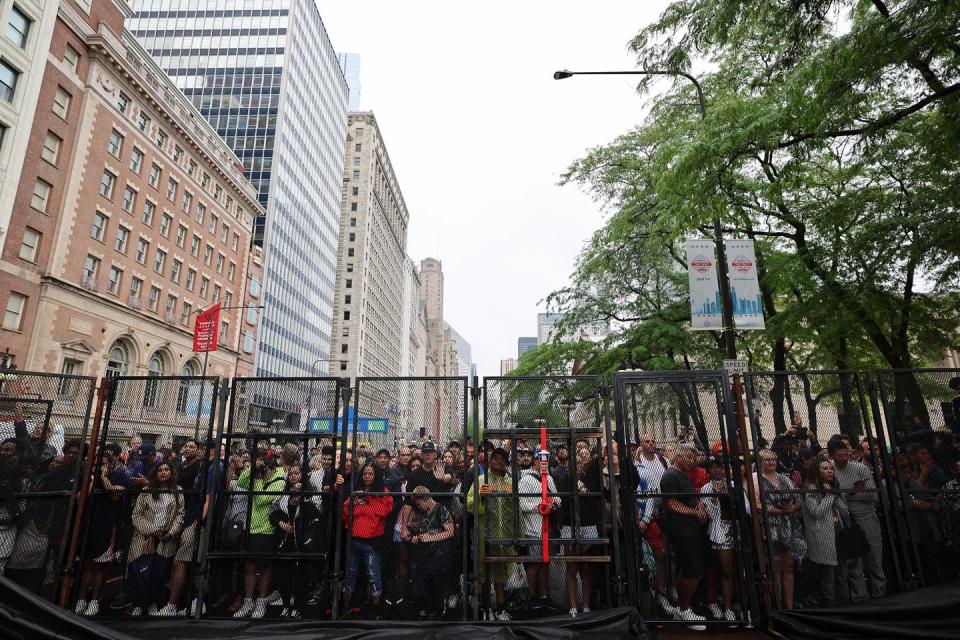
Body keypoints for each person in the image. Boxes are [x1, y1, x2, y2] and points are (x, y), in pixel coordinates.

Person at [74, 444, 131, 616]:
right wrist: (92, 477)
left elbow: (115, 496)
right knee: (87, 565)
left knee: (100, 565)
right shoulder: (88, 475)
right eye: (99, 460)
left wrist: (104, 477)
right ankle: (82, 599)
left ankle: (95, 600)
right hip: (89, 523)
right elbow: (80, 499)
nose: (102, 464)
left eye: (105, 461)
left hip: (108, 525)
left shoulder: (120, 475)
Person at [829, 438, 886, 601]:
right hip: (847, 521)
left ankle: (880, 595)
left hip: (867, 517)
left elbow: (874, 497)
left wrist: (849, 494)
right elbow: (834, 498)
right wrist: (851, 492)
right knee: (854, 563)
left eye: (846, 454)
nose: (844, 458)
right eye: (840, 455)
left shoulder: (860, 468)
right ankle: (860, 598)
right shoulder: (830, 470)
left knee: (875, 559)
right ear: (832, 455)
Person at [234, 448, 286, 619]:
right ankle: (248, 601)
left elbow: (262, 499)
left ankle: (261, 602)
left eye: (265, 470)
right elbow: (241, 483)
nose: (263, 473)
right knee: (248, 566)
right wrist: (252, 469)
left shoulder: (279, 480)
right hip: (250, 527)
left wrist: (257, 480)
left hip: (266, 529)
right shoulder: (256, 474)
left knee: (264, 567)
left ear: (272, 469)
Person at [660, 443, 708, 630]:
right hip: (681, 531)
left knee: (689, 570)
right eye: (688, 456)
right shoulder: (671, 475)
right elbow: (671, 504)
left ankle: (682, 608)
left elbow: (686, 500)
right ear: (678, 456)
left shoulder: (683, 476)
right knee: (693, 571)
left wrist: (699, 508)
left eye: (694, 457)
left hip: (690, 529)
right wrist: (694, 512)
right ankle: (684, 609)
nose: (692, 460)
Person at [126, 462, 184, 616]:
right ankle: (138, 603)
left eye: (166, 470)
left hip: (166, 537)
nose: (163, 472)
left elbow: (180, 514)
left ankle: (152, 602)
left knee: (160, 573)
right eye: (160, 470)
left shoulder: (178, 491)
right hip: (145, 536)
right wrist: (153, 531)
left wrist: (171, 533)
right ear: (155, 473)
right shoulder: (146, 491)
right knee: (140, 571)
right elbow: (136, 515)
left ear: (171, 472)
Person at [466, 447, 515, 621]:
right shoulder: (480, 480)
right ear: (490, 461)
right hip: (484, 534)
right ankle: (485, 608)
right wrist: (481, 494)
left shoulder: (510, 482)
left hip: (504, 535)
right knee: (483, 574)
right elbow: (469, 504)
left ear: (507, 462)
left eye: (502, 458)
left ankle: (501, 608)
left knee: (500, 573)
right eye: (495, 458)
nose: (498, 461)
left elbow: (516, 509)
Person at [555, 443, 602, 618]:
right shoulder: (565, 479)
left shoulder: (593, 478)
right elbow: (563, 502)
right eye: (578, 458)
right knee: (571, 567)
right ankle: (573, 606)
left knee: (586, 566)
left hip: (588, 525)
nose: (581, 461)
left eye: (585, 457)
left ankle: (587, 606)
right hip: (569, 525)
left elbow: (598, 497)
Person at [270, 466, 323, 619]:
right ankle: (286, 605)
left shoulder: (309, 492)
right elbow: (273, 513)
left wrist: (300, 496)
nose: (293, 476)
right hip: (284, 541)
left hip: (302, 541)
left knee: (300, 576)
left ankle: (298, 606)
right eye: (291, 474)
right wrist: (281, 523)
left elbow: (315, 512)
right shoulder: (283, 494)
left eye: (297, 473)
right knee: (284, 575)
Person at [343, 461, 392, 613]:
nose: (367, 476)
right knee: (350, 575)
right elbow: (345, 511)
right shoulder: (356, 491)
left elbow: (384, 510)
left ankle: (376, 608)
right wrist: (354, 503)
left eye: (370, 474)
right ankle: (345, 606)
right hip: (355, 540)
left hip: (371, 543)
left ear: (375, 475)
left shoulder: (382, 491)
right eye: (365, 474)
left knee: (373, 575)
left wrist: (367, 500)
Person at [755, 448, 801, 610]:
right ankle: (777, 606)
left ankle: (789, 606)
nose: (770, 462)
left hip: (789, 526)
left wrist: (792, 507)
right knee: (774, 567)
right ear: (760, 462)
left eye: (773, 459)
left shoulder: (785, 479)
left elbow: (798, 498)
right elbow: (757, 504)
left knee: (788, 566)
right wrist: (776, 510)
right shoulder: (757, 480)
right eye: (766, 460)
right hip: (770, 528)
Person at [801, 458, 849, 607]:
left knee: (842, 573)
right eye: (825, 469)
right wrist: (829, 496)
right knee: (827, 574)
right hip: (822, 535)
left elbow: (845, 512)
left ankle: (845, 605)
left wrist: (834, 494)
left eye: (830, 468)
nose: (829, 471)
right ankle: (830, 607)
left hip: (839, 532)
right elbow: (816, 511)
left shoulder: (832, 486)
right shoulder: (810, 488)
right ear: (817, 471)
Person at [517, 446, 560, 610]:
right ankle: (531, 596)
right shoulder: (526, 479)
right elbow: (522, 504)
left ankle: (543, 595)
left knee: (545, 562)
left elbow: (557, 497)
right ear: (535, 459)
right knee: (534, 563)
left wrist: (554, 504)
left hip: (548, 528)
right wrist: (540, 506)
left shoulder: (548, 478)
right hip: (533, 528)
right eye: (541, 459)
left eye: (546, 459)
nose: (544, 462)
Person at [699, 456, 741, 621]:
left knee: (739, 570)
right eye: (713, 468)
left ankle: (740, 605)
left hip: (736, 530)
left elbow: (743, 507)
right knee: (726, 571)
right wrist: (714, 497)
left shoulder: (732, 485)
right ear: (708, 471)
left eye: (720, 467)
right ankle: (728, 607)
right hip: (720, 532)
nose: (717, 470)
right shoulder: (706, 488)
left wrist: (729, 495)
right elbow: (707, 515)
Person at [405, 485, 456, 619]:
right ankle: (426, 609)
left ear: (426, 498)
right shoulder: (421, 512)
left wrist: (431, 537)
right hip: (424, 553)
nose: (419, 506)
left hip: (440, 553)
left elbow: (450, 532)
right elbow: (415, 529)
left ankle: (438, 611)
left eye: (419, 502)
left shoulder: (440, 509)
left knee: (438, 584)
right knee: (423, 583)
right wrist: (415, 537)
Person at [634, 433, 671, 612]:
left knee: (668, 553)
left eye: (653, 441)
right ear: (642, 444)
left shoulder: (663, 461)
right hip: (646, 515)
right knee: (655, 554)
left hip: (666, 512)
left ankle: (664, 589)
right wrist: (647, 516)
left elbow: (670, 483)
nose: (651, 444)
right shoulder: (637, 465)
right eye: (647, 441)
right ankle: (654, 592)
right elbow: (642, 492)